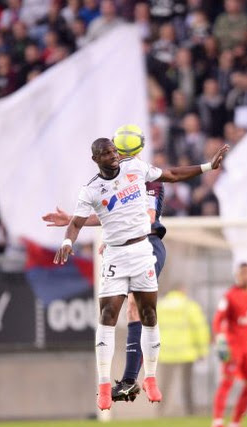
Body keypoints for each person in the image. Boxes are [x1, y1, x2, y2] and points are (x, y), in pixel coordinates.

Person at [53, 138, 228, 410]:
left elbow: (171, 174)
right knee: (108, 315)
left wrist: (207, 166)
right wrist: (67, 242)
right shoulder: (90, 190)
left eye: (114, 150)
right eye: (106, 153)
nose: (112, 155)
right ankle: (102, 385)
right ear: (95, 159)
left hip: (142, 250)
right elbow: (76, 222)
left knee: (148, 313)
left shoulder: (135, 168)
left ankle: (149, 378)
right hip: (114, 255)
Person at [43, 129, 168, 404]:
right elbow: (111, 213)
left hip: (148, 243)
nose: (116, 158)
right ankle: (128, 381)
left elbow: (144, 216)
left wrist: (118, 238)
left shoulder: (148, 179)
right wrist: (75, 222)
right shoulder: (109, 182)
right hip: (123, 248)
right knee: (116, 312)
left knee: (138, 307)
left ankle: (132, 379)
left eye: (119, 152)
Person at [211, 262, 247, 427]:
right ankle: (217, 422)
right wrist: (220, 340)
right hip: (234, 345)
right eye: (241, 273)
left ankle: (235, 424)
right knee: (227, 381)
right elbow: (218, 320)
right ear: (236, 275)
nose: (244, 276)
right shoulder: (229, 296)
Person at [156, 285, 210, 416]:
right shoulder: (189, 306)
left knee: (165, 385)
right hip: (187, 352)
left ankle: (160, 411)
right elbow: (200, 329)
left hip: (166, 353)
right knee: (187, 385)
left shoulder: (159, 306)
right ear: (182, 290)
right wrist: (202, 350)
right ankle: (190, 412)